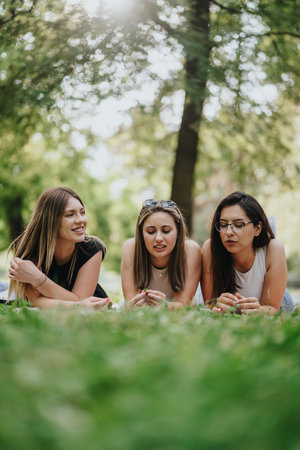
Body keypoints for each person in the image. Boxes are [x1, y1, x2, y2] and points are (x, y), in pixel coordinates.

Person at [8, 186, 111, 310]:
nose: (81, 220)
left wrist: (38, 278)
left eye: (82, 212)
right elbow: (35, 300)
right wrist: (78, 304)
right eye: (70, 215)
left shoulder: (92, 248)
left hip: (93, 309)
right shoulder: (33, 249)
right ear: (50, 220)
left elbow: (83, 300)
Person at [201, 191, 293, 315]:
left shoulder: (273, 249)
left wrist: (258, 310)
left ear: (258, 228)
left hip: (280, 301)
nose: (228, 232)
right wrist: (217, 305)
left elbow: (273, 309)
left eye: (238, 225)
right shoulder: (210, 248)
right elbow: (209, 304)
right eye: (223, 224)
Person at [121, 199, 202, 310]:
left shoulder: (191, 250)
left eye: (166, 230)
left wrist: (166, 306)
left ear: (178, 231)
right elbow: (131, 302)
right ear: (141, 234)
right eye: (150, 231)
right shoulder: (130, 247)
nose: (158, 238)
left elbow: (183, 304)